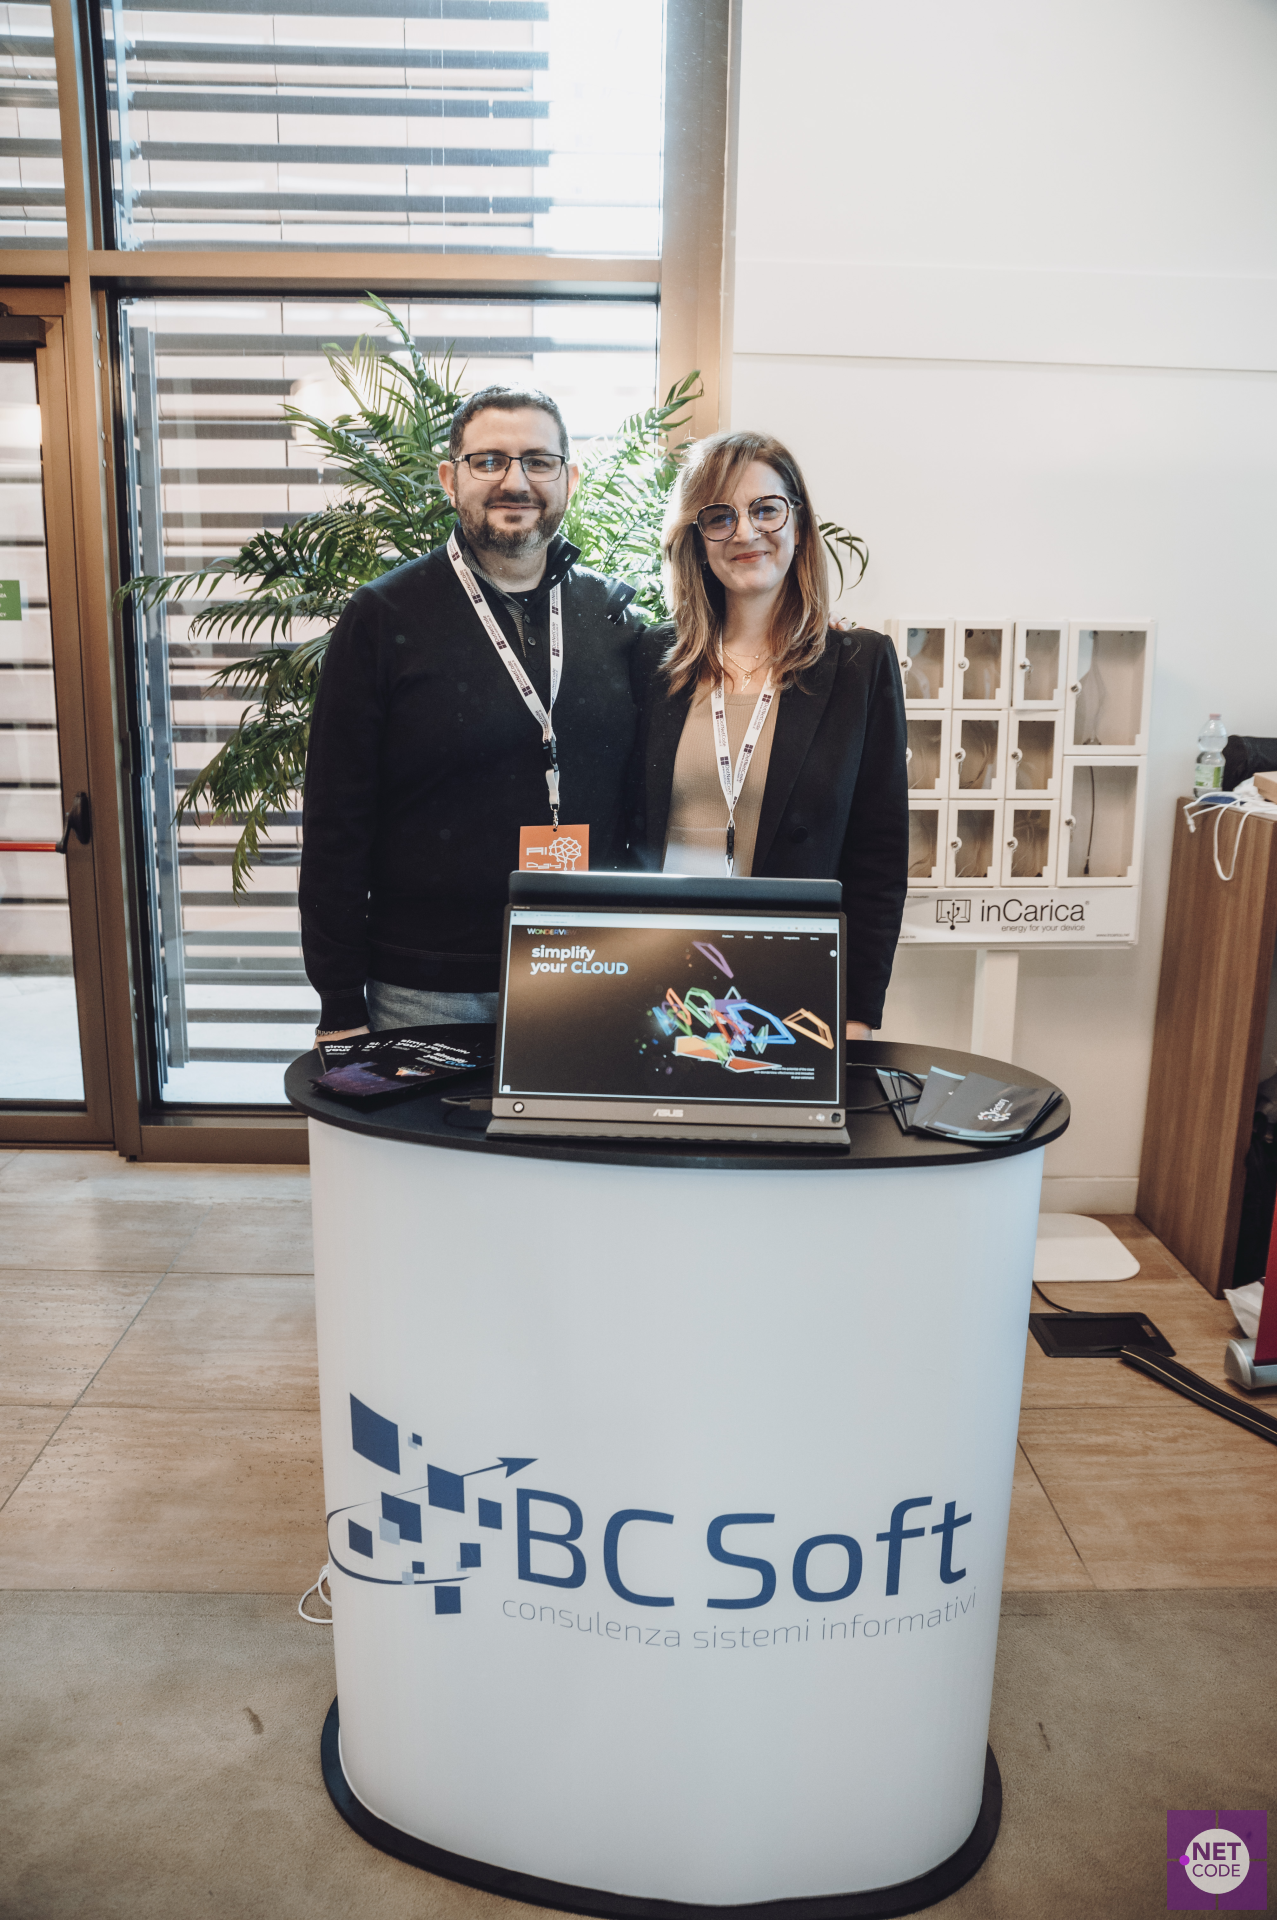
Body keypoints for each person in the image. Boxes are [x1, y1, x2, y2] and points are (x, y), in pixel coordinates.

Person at [299, 385, 645, 1043]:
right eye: (488, 461)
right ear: (449, 479)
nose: (515, 481)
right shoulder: (382, 617)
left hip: (587, 971)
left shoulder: (615, 618)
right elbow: (335, 824)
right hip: (427, 992)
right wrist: (339, 1004)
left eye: (538, 461)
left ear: (569, 479)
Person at [628, 429, 908, 1037]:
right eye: (720, 517)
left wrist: (858, 1013)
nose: (746, 533)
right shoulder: (651, 660)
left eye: (765, 509)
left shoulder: (859, 666)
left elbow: (879, 859)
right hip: (658, 974)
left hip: (793, 977)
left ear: (799, 524)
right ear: (697, 540)